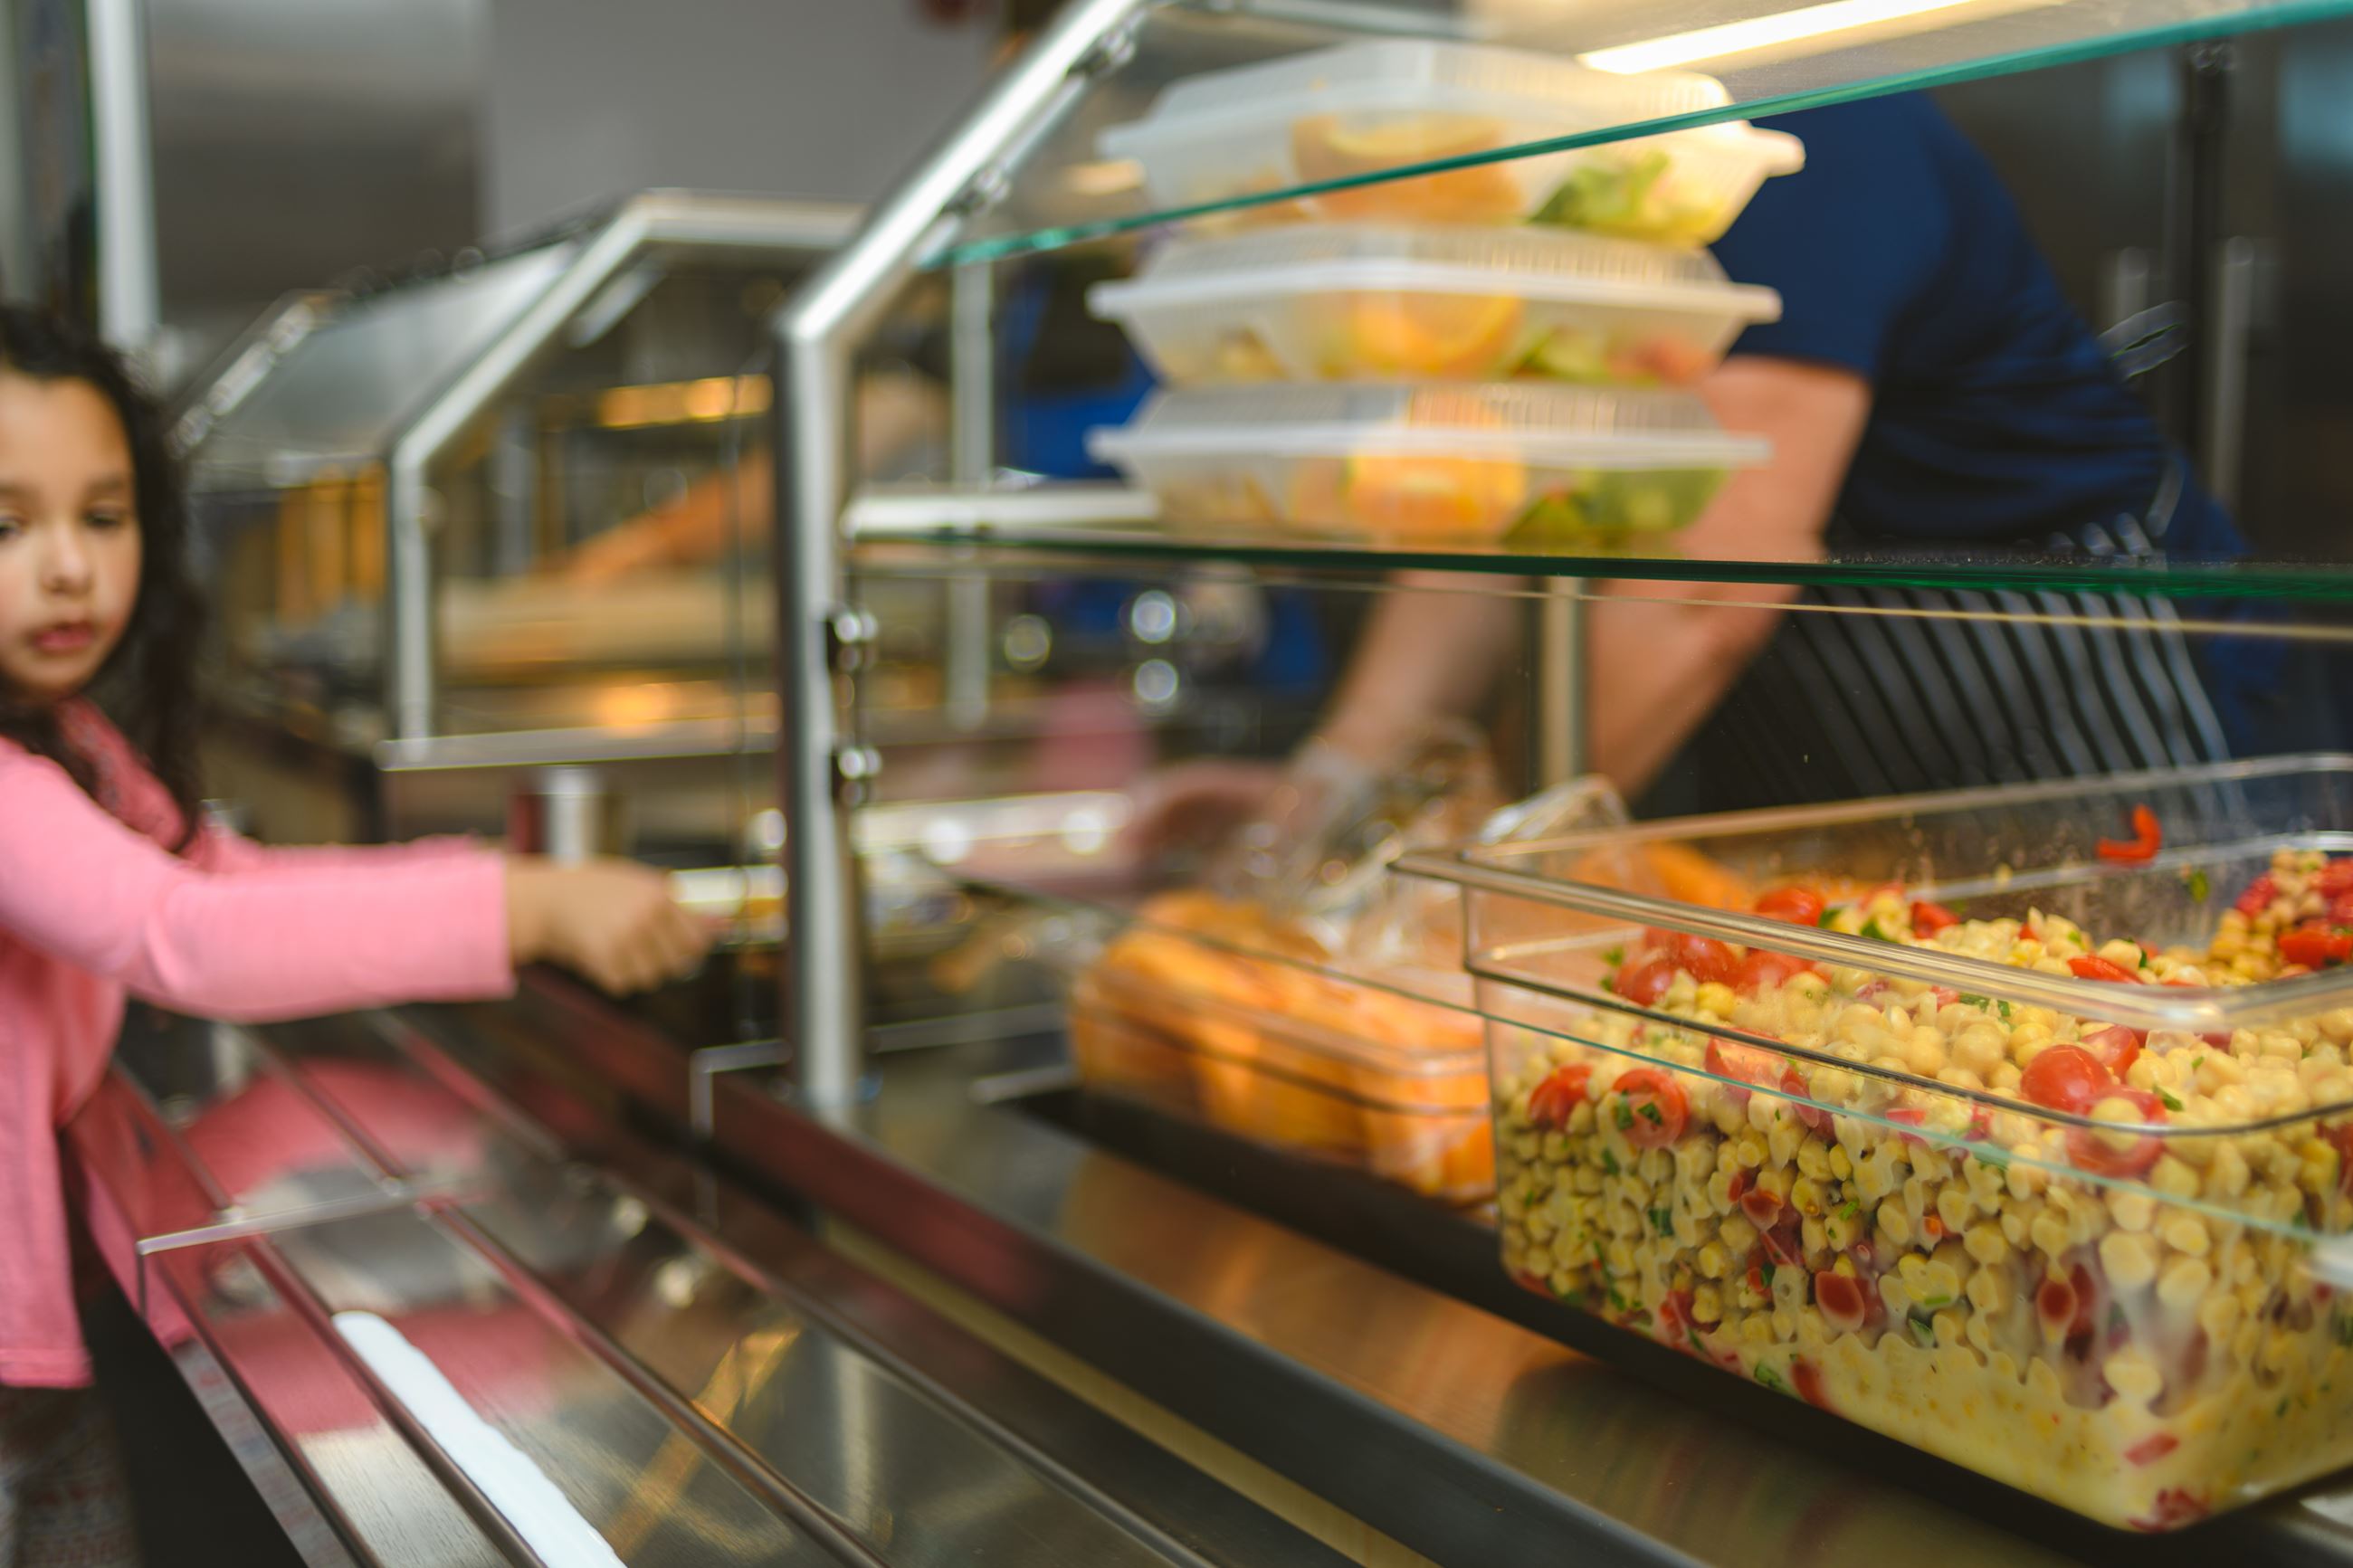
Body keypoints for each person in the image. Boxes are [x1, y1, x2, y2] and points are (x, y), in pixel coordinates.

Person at [0, 304, 714, 1565]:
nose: (67, 566)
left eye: (101, 517)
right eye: (7, 524)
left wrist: (495, 899)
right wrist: (528, 904)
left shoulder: (70, 740)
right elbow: (190, 935)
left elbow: (218, 871)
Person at [1138, 90, 2283, 845]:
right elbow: (1500, 511)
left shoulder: (1805, 133)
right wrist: (1326, 795)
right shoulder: (1572, 153)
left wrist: (1446, 860)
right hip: (1838, 727)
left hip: (2082, 704)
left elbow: (1707, 579)